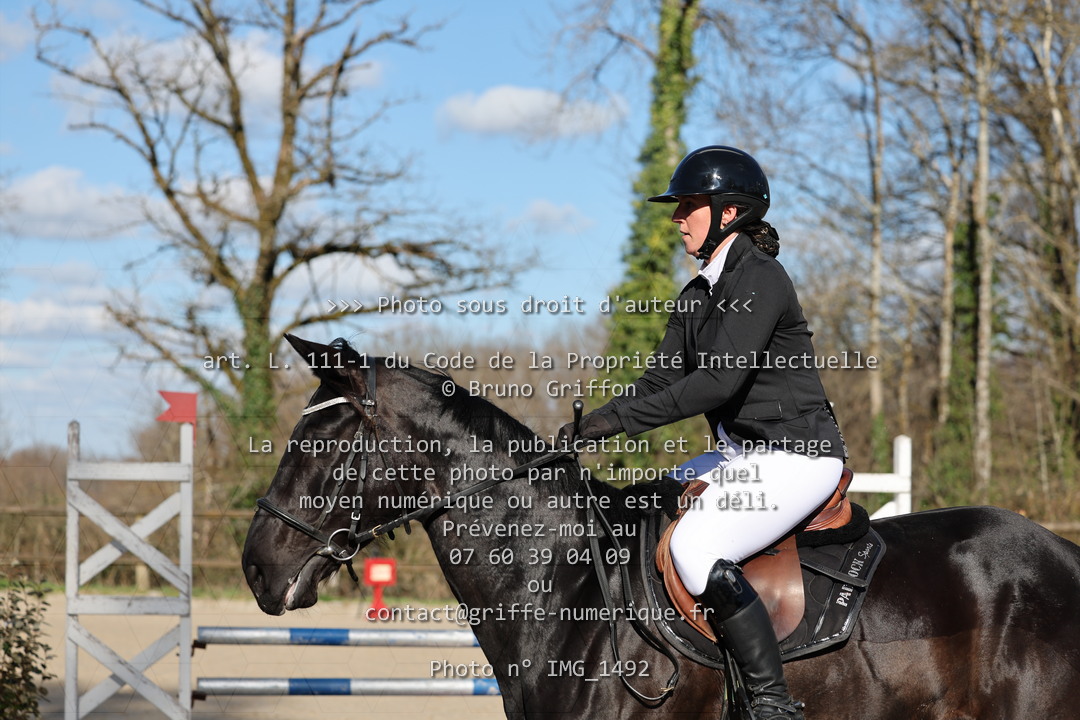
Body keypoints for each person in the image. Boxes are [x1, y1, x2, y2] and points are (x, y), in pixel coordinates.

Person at [560, 146, 846, 720]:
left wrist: (618, 422)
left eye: (687, 205)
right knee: (646, 508)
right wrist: (591, 426)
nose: (676, 218)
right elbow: (659, 381)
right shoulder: (696, 295)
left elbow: (717, 383)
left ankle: (770, 701)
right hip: (742, 457)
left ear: (728, 212)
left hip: (799, 457)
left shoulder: (762, 279)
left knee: (695, 548)